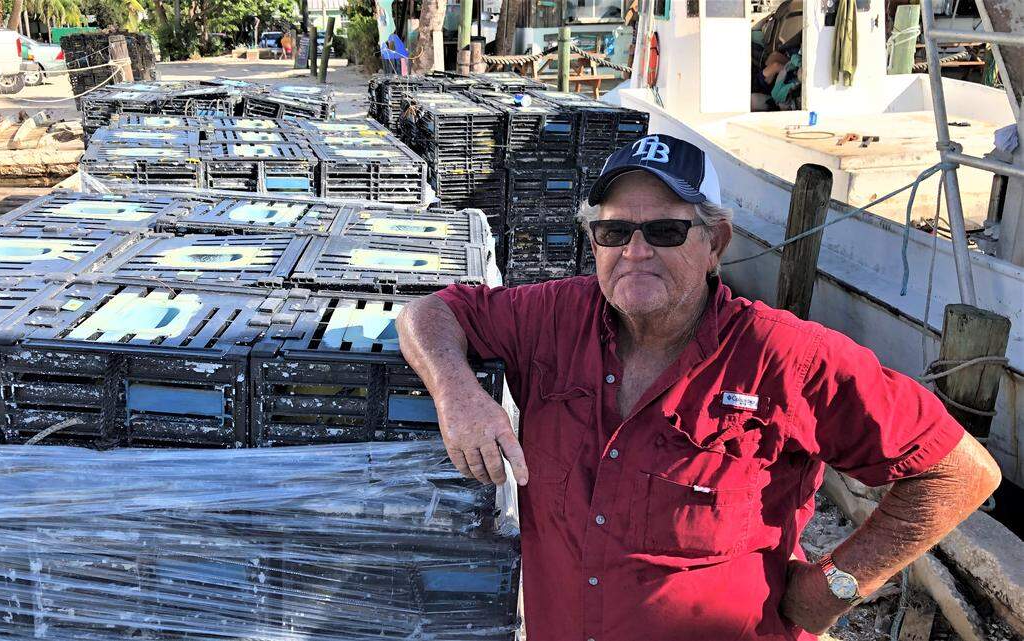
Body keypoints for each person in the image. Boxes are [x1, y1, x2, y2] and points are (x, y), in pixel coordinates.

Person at [396, 134, 1001, 641]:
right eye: (613, 233)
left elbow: (961, 471)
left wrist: (835, 586)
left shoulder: (784, 356)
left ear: (715, 243)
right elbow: (426, 313)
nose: (635, 251)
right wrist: (457, 392)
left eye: (664, 231)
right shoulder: (552, 317)